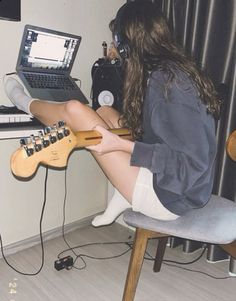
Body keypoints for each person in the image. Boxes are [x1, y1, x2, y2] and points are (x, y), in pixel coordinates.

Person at [4, 0, 221, 227]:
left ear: (126, 44)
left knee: (75, 110)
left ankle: (22, 101)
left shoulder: (169, 82)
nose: (115, 50)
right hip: (176, 183)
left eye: (116, 44)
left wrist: (120, 144)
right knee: (105, 111)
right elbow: (165, 136)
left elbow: (190, 164)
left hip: (172, 197)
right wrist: (121, 140)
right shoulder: (167, 71)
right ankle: (122, 196)